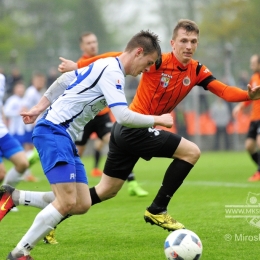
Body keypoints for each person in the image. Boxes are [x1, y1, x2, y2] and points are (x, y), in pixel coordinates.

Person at [57, 19, 260, 232]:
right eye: (184, 41)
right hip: (134, 128)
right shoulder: (158, 61)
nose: (189, 46)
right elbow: (117, 56)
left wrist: (248, 95)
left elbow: (224, 91)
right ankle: (157, 209)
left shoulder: (197, 70)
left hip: (123, 130)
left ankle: (56, 215)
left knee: (106, 190)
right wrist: (78, 65)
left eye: (193, 41)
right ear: (173, 43)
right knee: (191, 152)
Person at [1, 30, 173, 260]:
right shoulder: (113, 72)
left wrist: (37, 108)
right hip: (53, 130)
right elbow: (122, 116)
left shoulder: (106, 64)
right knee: (66, 201)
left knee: (81, 203)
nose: (147, 69)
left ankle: (14, 197)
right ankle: (20, 253)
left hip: (62, 135)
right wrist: (159, 119)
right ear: (138, 52)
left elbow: (65, 79)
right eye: (148, 62)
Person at [76, 31, 148, 196]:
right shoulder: (79, 66)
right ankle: (72, 186)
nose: (93, 45)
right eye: (88, 43)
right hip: (85, 117)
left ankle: (132, 184)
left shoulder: (105, 61)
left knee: (118, 142)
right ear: (82, 46)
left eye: (94, 42)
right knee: (77, 153)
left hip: (103, 117)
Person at [233, 54, 260, 181]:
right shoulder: (254, 77)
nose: (251, 65)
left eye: (253, 63)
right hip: (254, 118)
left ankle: (259, 172)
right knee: (249, 146)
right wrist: (240, 106)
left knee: (259, 142)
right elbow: (250, 95)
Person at [0, 74, 29, 186]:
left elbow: (1, 105)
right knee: (1, 174)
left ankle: (4, 195)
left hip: (3, 133)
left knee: (23, 163)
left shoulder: (2, 78)